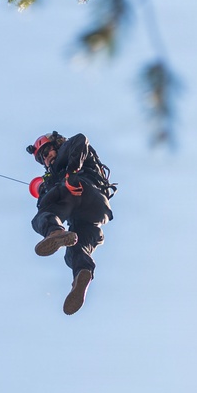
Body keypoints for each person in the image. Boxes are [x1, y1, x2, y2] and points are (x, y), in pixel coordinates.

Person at [26, 131, 116, 315]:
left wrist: (71, 173)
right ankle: (82, 275)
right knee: (76, 247)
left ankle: (55, 231)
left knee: (44, 212)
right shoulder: (52, 177)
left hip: (81, 190)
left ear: (57, 144)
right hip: (94, 211)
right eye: (42, 157)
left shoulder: (67, 152)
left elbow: (81, 139)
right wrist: (44, 187)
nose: (47, 158)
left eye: (47, 151)